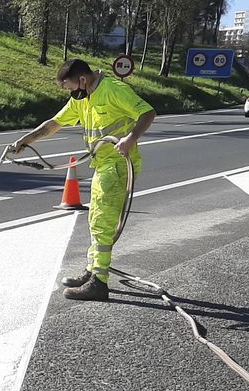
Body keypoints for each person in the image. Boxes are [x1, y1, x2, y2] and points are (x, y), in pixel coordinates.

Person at [12, 59, 156, 301]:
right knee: (95, 218)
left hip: (119, 164)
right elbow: (54, 124)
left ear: (82, 79)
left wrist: (130, 139)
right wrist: (26, 140)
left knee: (102, 220)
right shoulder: (83, 98)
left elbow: (147, 112)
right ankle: (92, 271)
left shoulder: (113, 90)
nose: (69, 93)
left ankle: (99, 282)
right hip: (102, 164)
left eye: (69, 87)